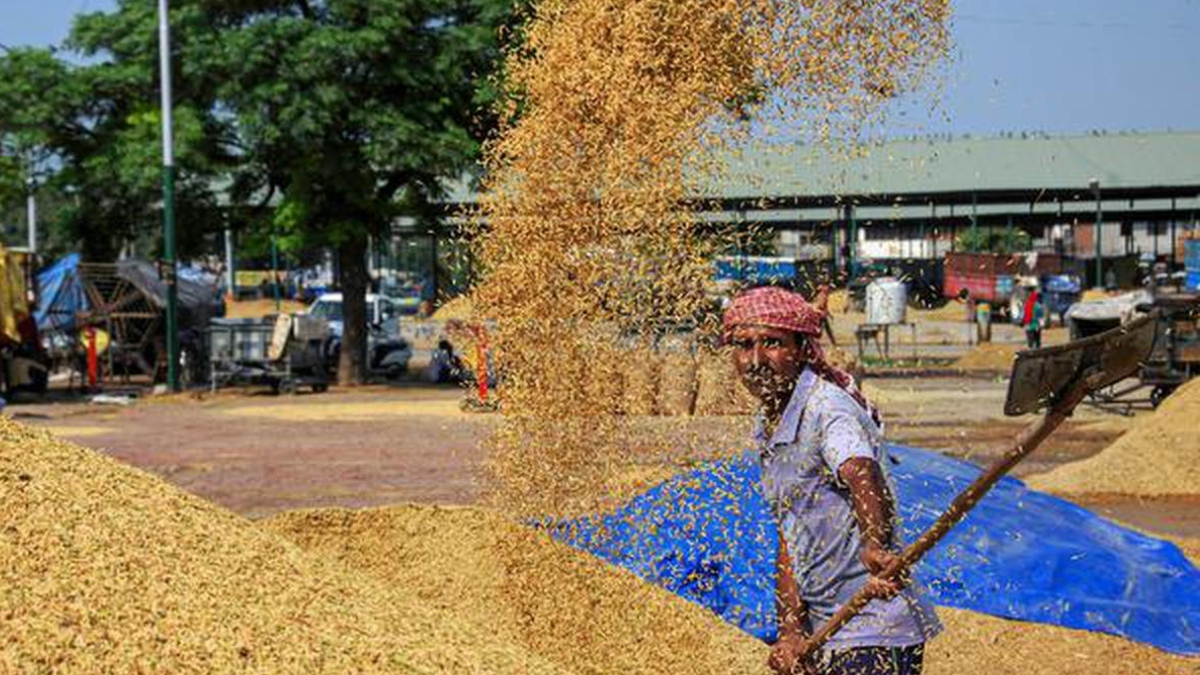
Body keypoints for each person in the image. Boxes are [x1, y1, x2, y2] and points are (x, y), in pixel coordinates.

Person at [723, 286, 940, 675]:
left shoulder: (826, 408)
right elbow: (791, 535)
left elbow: (862, 472)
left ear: (803, 349)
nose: (756, 359)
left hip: (874, 630)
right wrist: (789, 630)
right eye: (744, 346)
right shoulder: (769, 424)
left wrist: (875, 545)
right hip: (824, 632)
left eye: (772, 343)